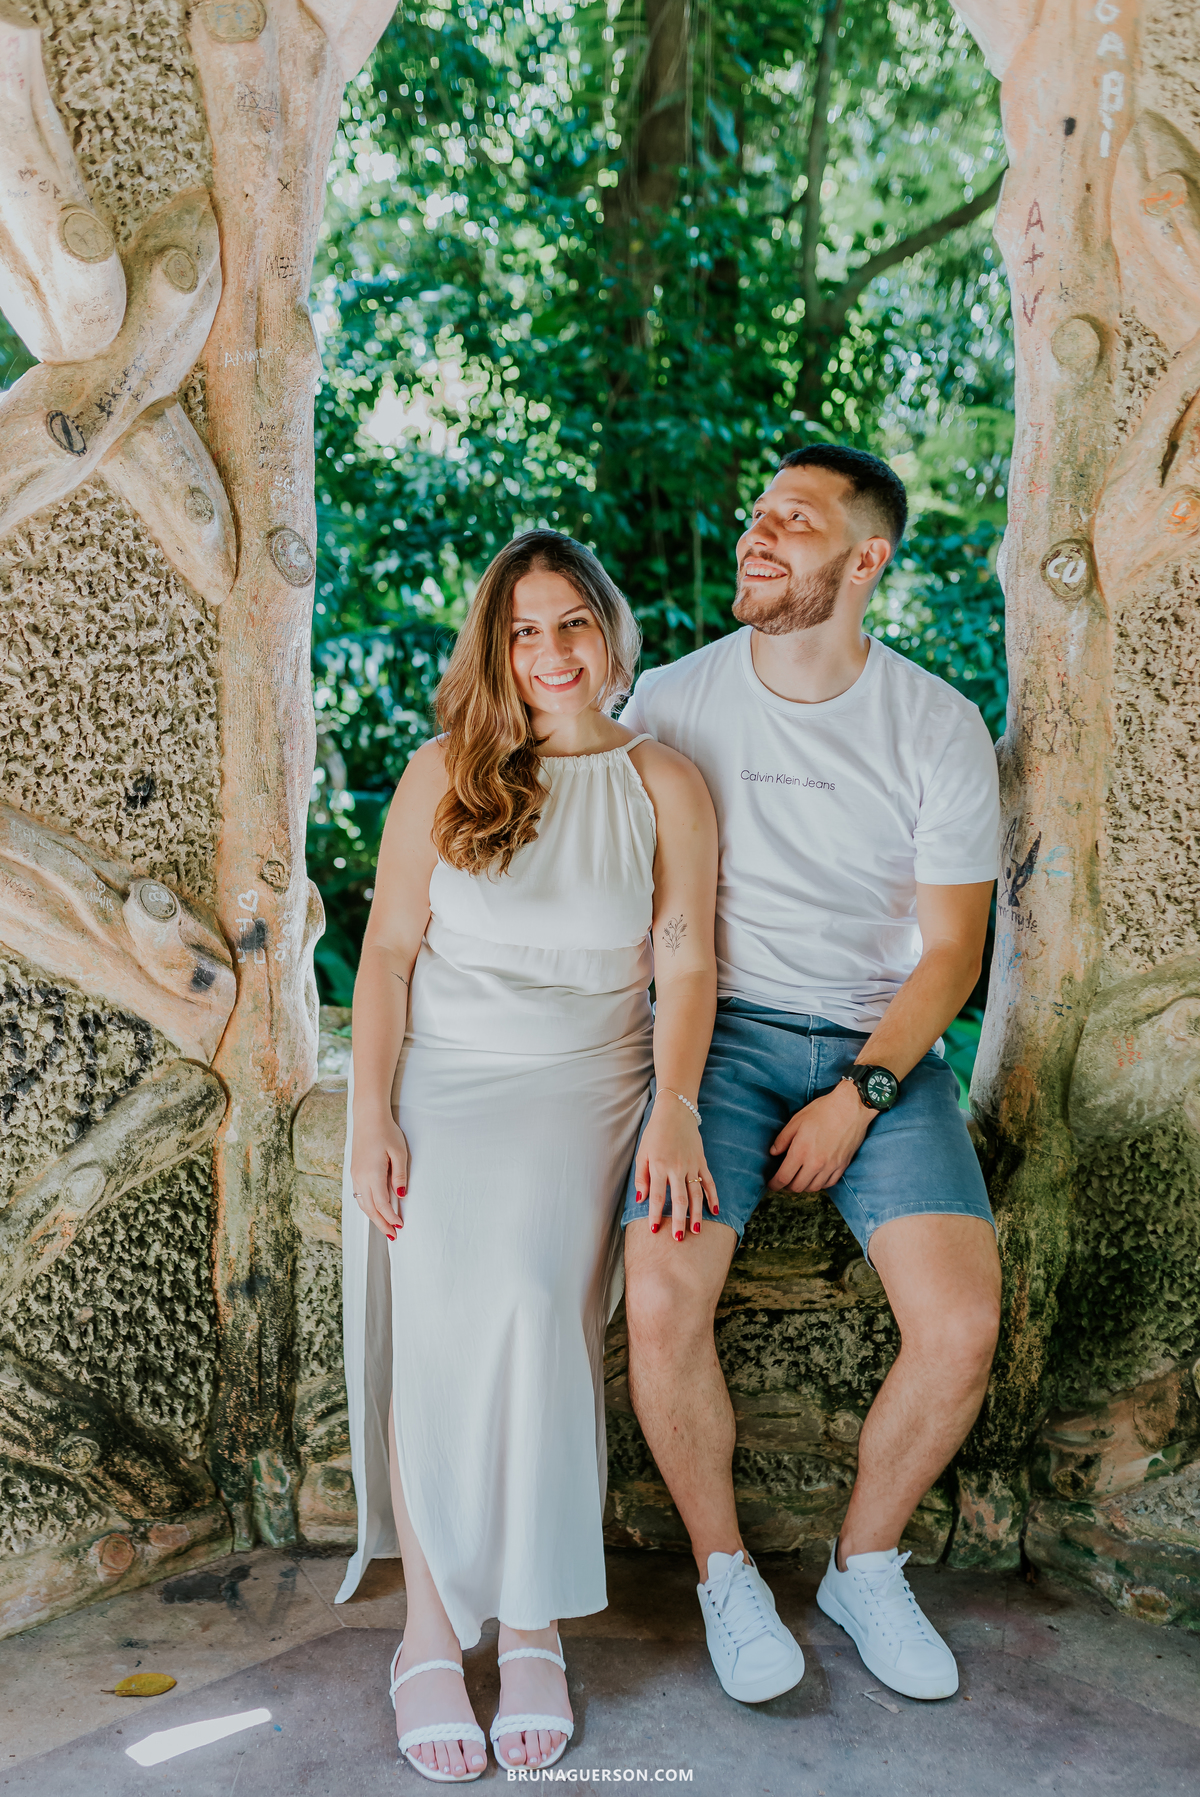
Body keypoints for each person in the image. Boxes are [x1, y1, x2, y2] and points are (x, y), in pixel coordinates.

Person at [619, 444, 1002, 1706]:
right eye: (759, 514)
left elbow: (952, 952)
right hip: (713, 1041)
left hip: (880, 1051)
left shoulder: (937, 725)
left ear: (866, 559)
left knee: (959, 1327)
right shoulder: (670, 699)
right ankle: (725, 1576)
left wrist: (863, 1096)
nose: (760, 533)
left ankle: (864, 1561)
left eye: (797, 519)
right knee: (664, 1302)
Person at [336, 530, 719, 1783]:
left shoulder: (663, 780)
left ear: (610, 632)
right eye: (522, 630)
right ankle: (432, 1634)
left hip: (588, 1079)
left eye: (571, 623)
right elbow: (388, 956)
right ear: (493, 648)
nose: (550, 651)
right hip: (446, 1074)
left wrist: (676, 1105)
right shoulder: (444, 771)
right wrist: (372, 1112)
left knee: (533, 1300)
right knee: (442, 1291)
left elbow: (683, 960)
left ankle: (538, 1622)